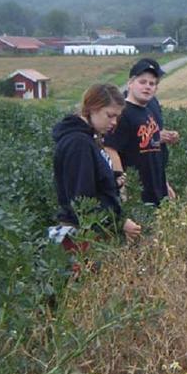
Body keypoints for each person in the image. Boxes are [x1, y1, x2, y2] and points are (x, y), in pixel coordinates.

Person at [51, 83, 141, 249]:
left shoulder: (90, 139)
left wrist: (113, 181)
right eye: (110, 115)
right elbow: (82, 202)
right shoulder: (78, 143)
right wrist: (119, 222)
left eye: (117, 117)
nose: (114, 122)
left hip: (93, 232)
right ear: (92, 109)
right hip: (82, 237)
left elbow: (92, 182)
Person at [104, 58, 178, 206]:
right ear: (130, 83)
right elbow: (110, 148)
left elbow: (154, 150)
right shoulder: (123, 113)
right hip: (137, 191)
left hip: (157, 189)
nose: (147, 87)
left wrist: (165, 183)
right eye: (142, 82)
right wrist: (121, 183)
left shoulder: (150, 110)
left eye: (152, 84)